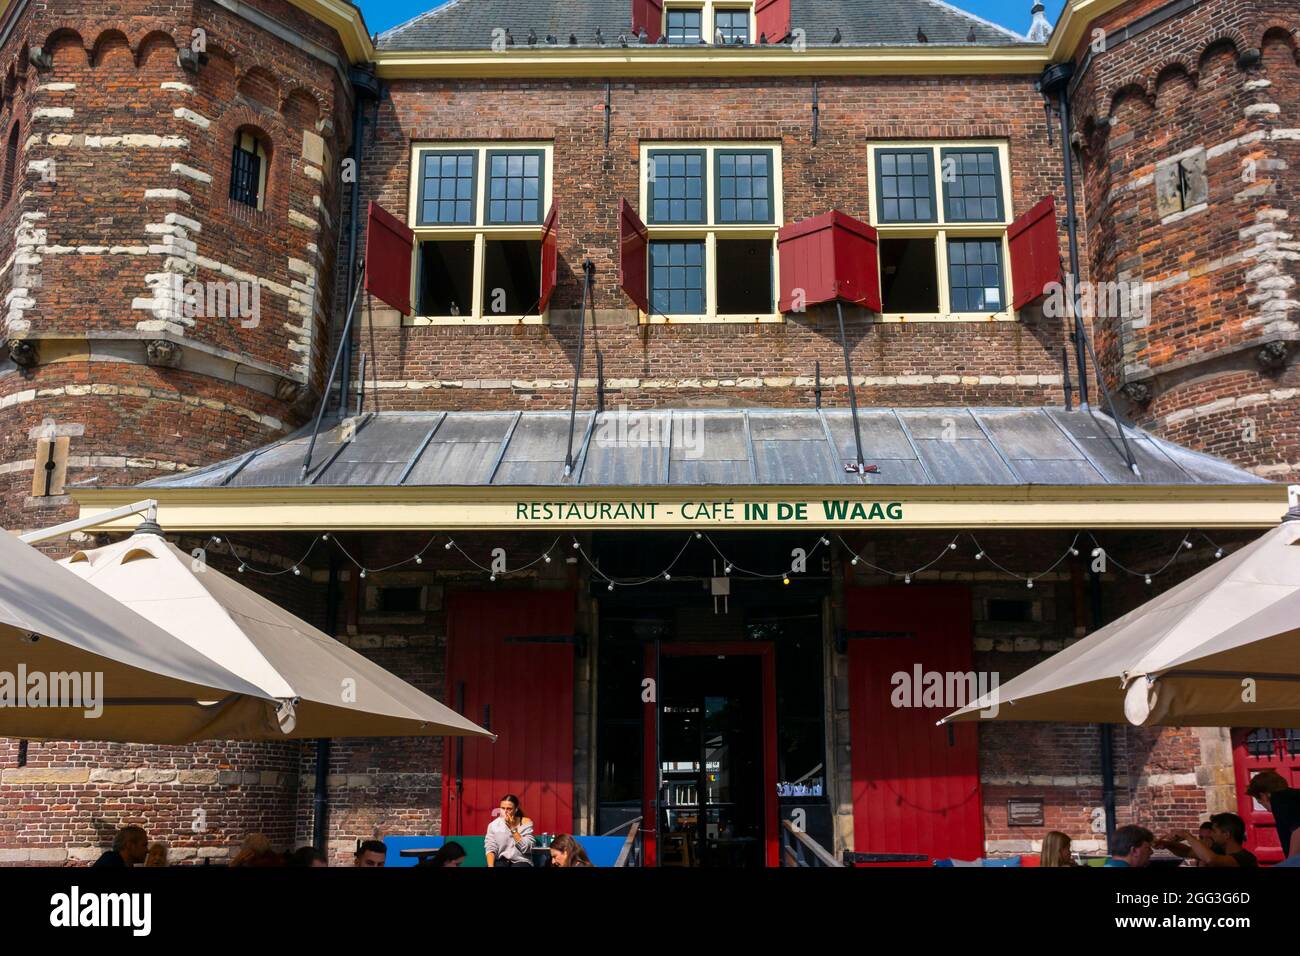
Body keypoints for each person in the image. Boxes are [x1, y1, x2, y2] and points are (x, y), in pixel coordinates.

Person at [1161, 813, 1258, 868]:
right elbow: (1187, 851)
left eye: (1214, 831)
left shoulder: (1245, 858)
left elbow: (1211, 860)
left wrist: (1187, 835)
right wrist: (1166, 844)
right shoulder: (1218, 851)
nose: (1211, 834)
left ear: (1226, 835)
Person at [1245, 770, 1300, 861]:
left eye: (1259, 801)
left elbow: (1298, 830)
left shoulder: (1279, 800)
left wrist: (1291, 862)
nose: (1265, 808)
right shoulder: (1293, 796)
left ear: (1263, 796)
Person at [485, 794, 534, 867]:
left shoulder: (525, 822)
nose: (505, 811)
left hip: (521, 861)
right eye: (502, 808)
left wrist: (512, 828)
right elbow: (490, 848)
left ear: (516, 809)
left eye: (509, 809)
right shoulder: (493, 825)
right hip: (501, 861)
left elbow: (526, 848)